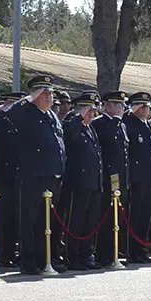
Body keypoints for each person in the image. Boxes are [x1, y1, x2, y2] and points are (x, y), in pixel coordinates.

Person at [8, 75, 67, 274]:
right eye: (44, 93)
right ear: (35, 96)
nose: (50, 97)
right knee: (30, 220)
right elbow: (10, 114)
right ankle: (28, 260)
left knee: (47, 221)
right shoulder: (27, 113)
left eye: (50, 93)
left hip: (52, 176)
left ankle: (46, 258)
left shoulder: (52, 116)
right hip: (33, 176)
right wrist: (28, 98)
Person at [61, 91, 103, 270]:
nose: (92, 114)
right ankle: (72, 257)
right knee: (75, 221)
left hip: (92, 183)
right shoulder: (72, 125)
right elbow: (70, 136)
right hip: (77, 183)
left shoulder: (90, 128)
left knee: (89, 222)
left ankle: (86, 255)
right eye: (89, 110)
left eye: (93, 111)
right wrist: (79, 117)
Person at [93, 91, 130, 267]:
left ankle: (113, 252)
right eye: (117, 105)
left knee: (118, 217)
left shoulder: (120, 125)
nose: (121, 108)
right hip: (108, 176)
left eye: (121, 105)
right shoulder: (100, 123)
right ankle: (103, 254)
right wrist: (116, 120)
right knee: (106, 216)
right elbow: (107, 141)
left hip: (120, 176)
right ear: (107, 105)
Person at [123, 92, 151, 263]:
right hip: (136, 179)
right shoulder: (128, 124)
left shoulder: (149, 126)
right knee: (134, 215)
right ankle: (131, 250)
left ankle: (140, 250)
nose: (146, 110)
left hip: (150, 178)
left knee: (145, 216)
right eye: (143, 106)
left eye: (148, 107)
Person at [0, 92, 24, 268]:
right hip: (3, 175)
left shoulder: (20, 122)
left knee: (16, 217)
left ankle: (14, 252)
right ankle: (3, 254)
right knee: (3, 217)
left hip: (19, 175)